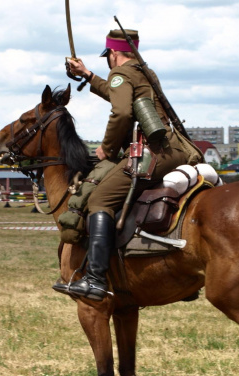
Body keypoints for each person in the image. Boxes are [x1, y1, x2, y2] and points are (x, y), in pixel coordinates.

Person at [54, 28, 193, 301]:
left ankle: (94, 279)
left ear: (113, 53)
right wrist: (88, 75)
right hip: (177, 148)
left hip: (154, 153)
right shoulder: (144, 72)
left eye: (108, 56)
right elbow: (120, 95)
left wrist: (106, 148)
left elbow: (122, 112)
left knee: (100, 200)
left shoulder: (120, 74)